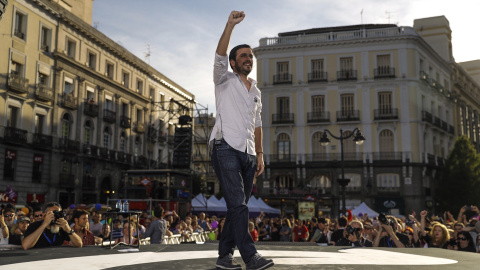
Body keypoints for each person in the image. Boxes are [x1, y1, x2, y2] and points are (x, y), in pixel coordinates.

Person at [211, 10, 273, 270]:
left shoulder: (256, 90)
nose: (249, 59)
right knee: (238, 204)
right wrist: (229, 26)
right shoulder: (223, 80)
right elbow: (220, 55)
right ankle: (251, 257)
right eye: (244, 55)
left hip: (248, 154)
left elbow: (258, 124)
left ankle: (224, 258)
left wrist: (259, 154)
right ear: (234, 63)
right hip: (225, 147)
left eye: (251, 55)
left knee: (238, 206)